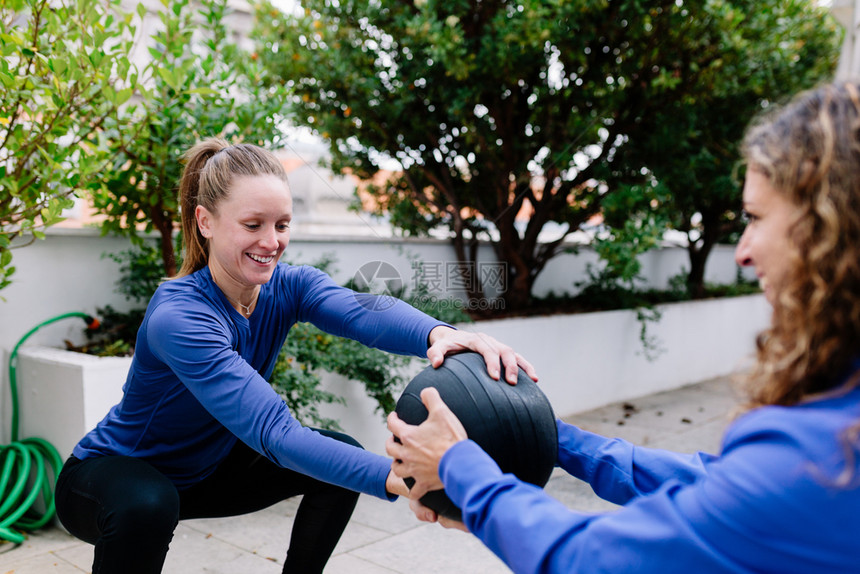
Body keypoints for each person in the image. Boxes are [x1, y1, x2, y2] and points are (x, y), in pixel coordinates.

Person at [386, 80, 860, 573]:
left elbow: (590, 560)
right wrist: (551, 438)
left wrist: (461, 470)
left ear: (830, 227)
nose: (743, 251)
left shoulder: (820, 451)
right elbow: (715, 485)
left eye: (756, 217)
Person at [54, 137, 536, 574]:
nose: (271, 242)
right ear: (205, 221)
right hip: (108, 482)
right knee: (147, 503)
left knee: (336, 461)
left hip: (207, 474)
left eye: (281, 224)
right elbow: (276, 434)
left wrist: (438, 334)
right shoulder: (180, 317)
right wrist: (408, 479)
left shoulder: (287, 286)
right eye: (252, 224)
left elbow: (362, 311)